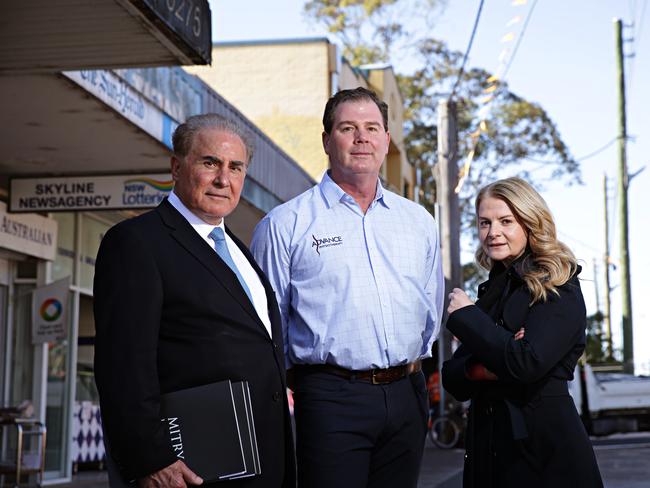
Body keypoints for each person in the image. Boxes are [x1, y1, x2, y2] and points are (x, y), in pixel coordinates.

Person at [251, 87, 444, 488]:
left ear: (386, 140)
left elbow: (431, 308)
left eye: (372, 128)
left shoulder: (419, 222)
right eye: (348, 128)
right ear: (326, 140)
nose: (362, 138)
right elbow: (269, 329)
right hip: (330, 397)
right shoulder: (285, 225)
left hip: (408, 393)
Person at [94, 114, 295, 488]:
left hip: (260, 461)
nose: (224, 178)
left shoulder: (239, 250)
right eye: (210, 163)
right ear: (176, 166)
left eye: (236, 167)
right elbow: (122, 367)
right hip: (188, 470)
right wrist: (150, 459)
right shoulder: (136, 244)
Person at [442, 177, 603, 488]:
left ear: (529, 222)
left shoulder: (558, 283)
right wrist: (491, 363)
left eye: (506, 221)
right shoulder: (491, 290)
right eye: (484, 223)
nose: (493, 233)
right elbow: (453, 377)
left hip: (544, 454)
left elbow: (527, 363)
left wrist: (468, 318)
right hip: (488, 452)